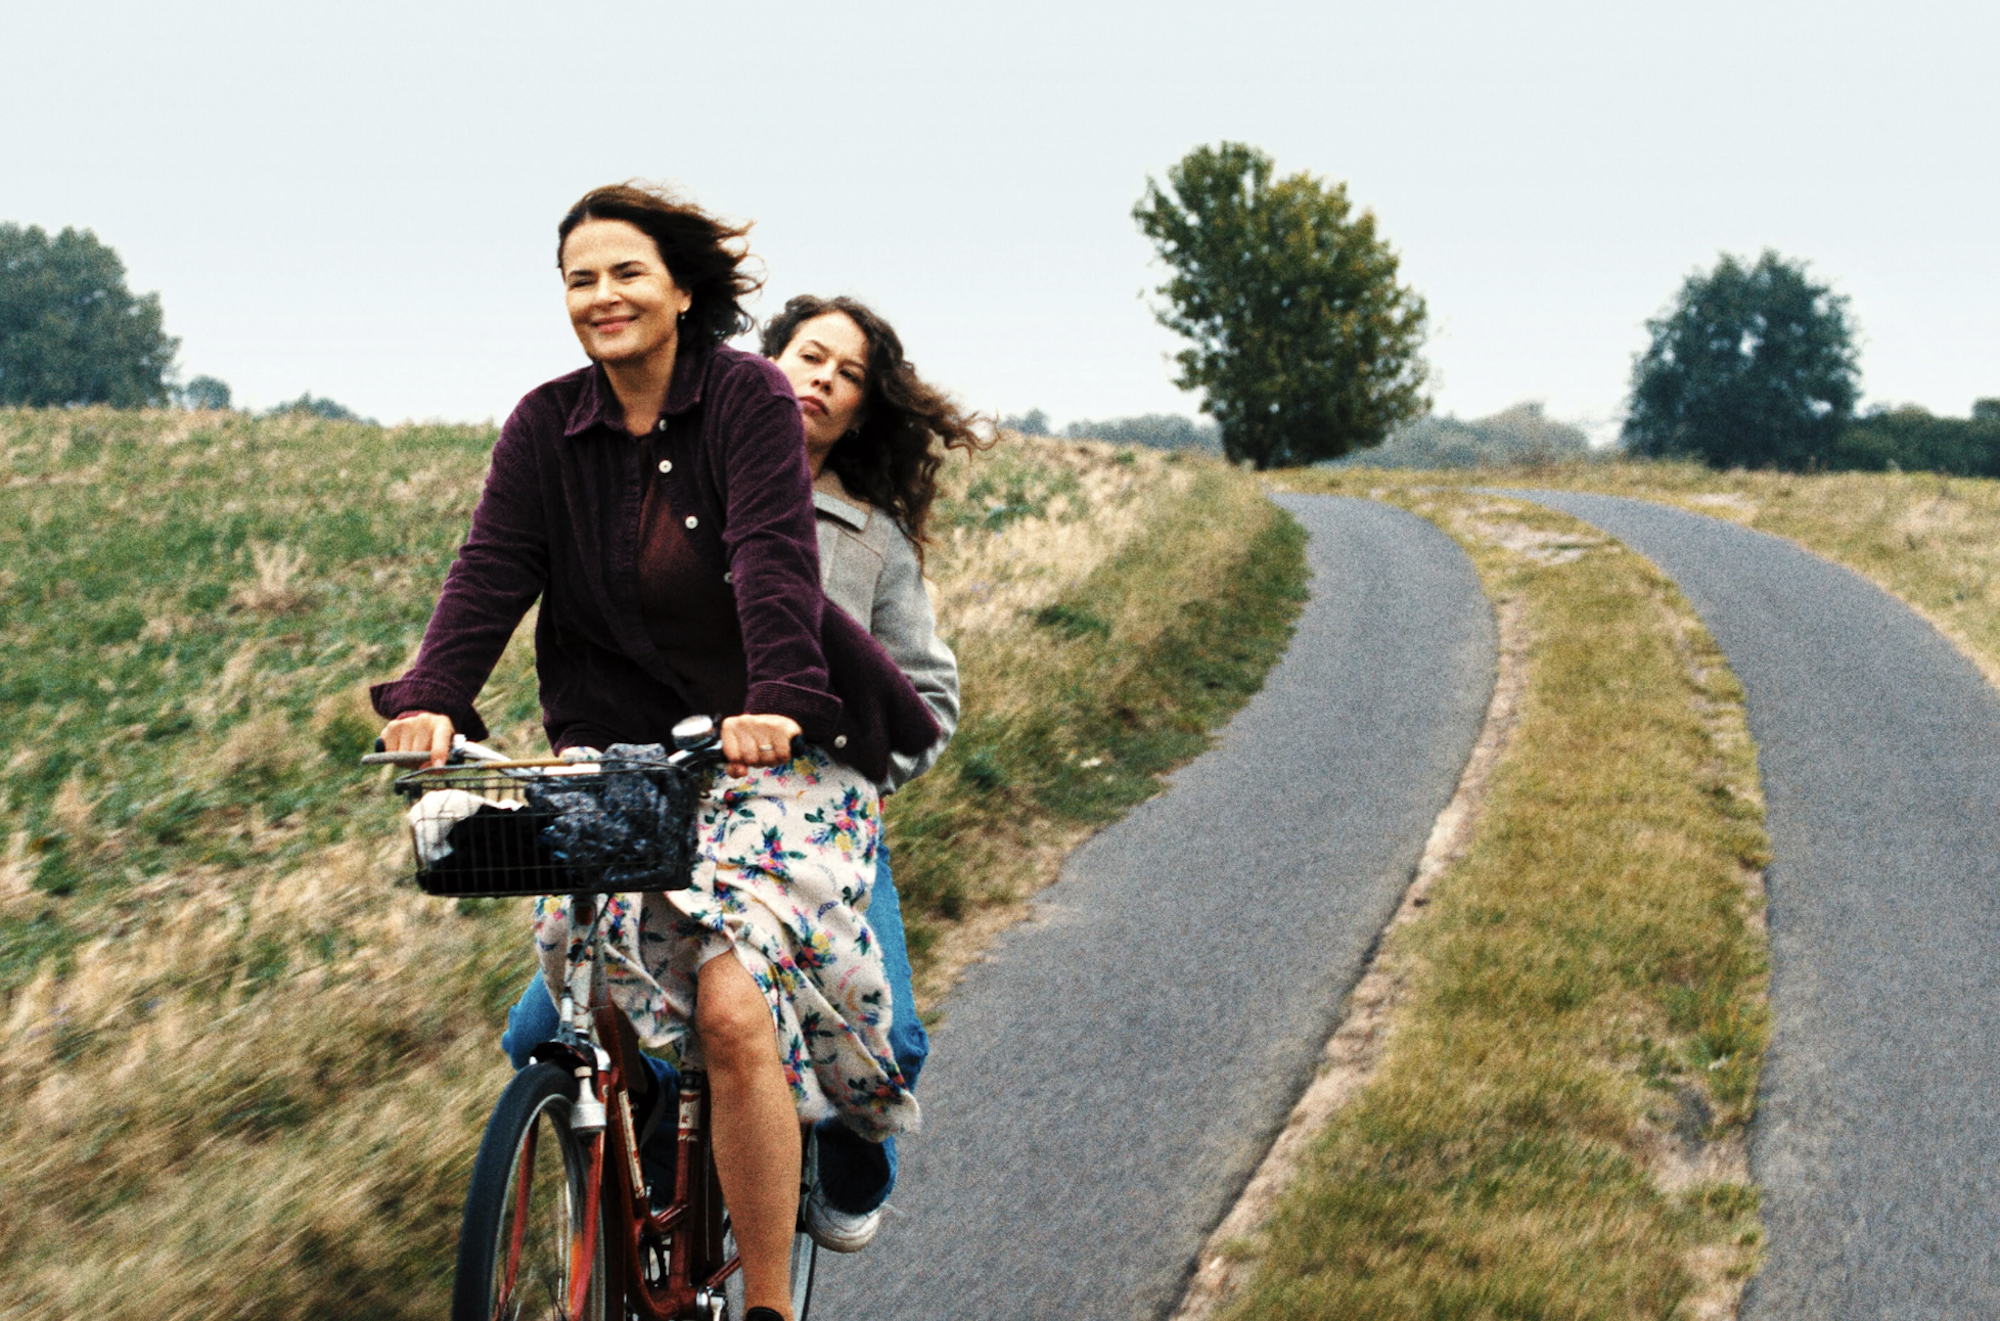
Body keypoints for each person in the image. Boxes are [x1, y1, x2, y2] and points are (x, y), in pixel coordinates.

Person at [372, 182, 934, 1321]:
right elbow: (490, 571)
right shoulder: (544, 424)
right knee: (582, 1002)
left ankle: (766, 1301)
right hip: (621, 752)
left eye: (625, 271)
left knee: (729, 1003)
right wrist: (432, 696)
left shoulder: (747, 400)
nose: (601, 295)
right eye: (579, 278)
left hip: (775, 754)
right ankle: (614, 1208)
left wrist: (779, 693)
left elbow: (774, 561)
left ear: (680, 287)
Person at [500, 290, 987, 1252]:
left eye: (848, 375)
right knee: (540, 1032)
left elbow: (927, 698)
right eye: (809, 355)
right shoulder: (676, 482)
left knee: (891, 1035)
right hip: (675, 792)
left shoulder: (872, 539)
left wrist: (835, 734)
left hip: (806, 811)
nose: (821, 380)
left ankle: (843, 1167)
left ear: (862, 409)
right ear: (766, 367)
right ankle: (650, 1176)